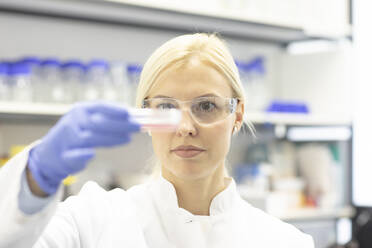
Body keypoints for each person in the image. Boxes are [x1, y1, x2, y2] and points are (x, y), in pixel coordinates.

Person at [0, 33, 314, 248]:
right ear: (146, 116)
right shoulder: (91, 219)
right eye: (166, 108)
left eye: (206, 106)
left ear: (237, 115)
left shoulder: (284, 241)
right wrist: (35, 179)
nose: (186, 128)